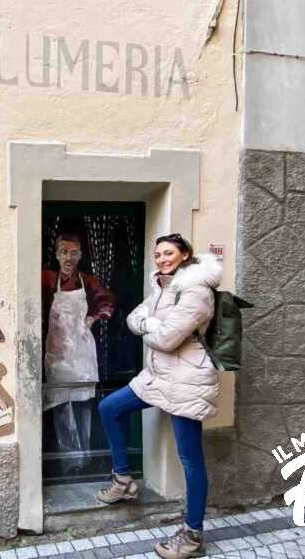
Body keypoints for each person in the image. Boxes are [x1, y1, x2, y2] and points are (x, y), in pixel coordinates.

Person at [96, 233, 221, 559]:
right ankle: (124, 479)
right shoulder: (162, 286)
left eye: (168, 253)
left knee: (190, 460)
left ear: (184, 255)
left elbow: (166, 338)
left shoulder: (196, 290)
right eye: (158, 254)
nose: (162, 258)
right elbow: (131, 319)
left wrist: (149, 323)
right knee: (109, 408)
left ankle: (193, 535)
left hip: (186, 380)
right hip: (157, 376)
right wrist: (152, 322)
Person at [41, 232, 115, 454]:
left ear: (80, 255)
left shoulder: (88, 281)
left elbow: (107, 300)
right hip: (58, 350)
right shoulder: (46, 278)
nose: (68, 258)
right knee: (60, 403)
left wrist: (94, 316)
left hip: (82, 351)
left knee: (83, 403)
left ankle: (87, 454)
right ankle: (70, 459)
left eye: (74, 253)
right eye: (64, 252)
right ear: (56, 254)